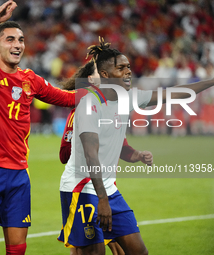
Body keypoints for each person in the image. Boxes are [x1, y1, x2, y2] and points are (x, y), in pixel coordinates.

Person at [58, 39, 214, 255]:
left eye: (128, 67)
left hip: (108, 188)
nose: (128, 71)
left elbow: (173, 94)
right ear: (106, 76)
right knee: (93, 253)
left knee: (139, 251)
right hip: (81, 187)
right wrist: (102, 200)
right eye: (121, 68)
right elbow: (91, 155)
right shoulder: (89, 103)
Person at [0, 1, 85, 254]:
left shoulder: (30, 79)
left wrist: (104, 92)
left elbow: (66, 97)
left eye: (20, 40)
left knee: (17, 249)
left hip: (19, 173)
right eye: (9, 39)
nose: (17, 44)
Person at [58, 59, 152, 255]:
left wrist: (136, 154)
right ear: (94, 78)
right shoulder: (83, 110)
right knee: (91, 249)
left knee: (121, 249)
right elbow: (64, 154)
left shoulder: (114, 106)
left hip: (107, 186)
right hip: (83, 186)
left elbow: (122, 147)